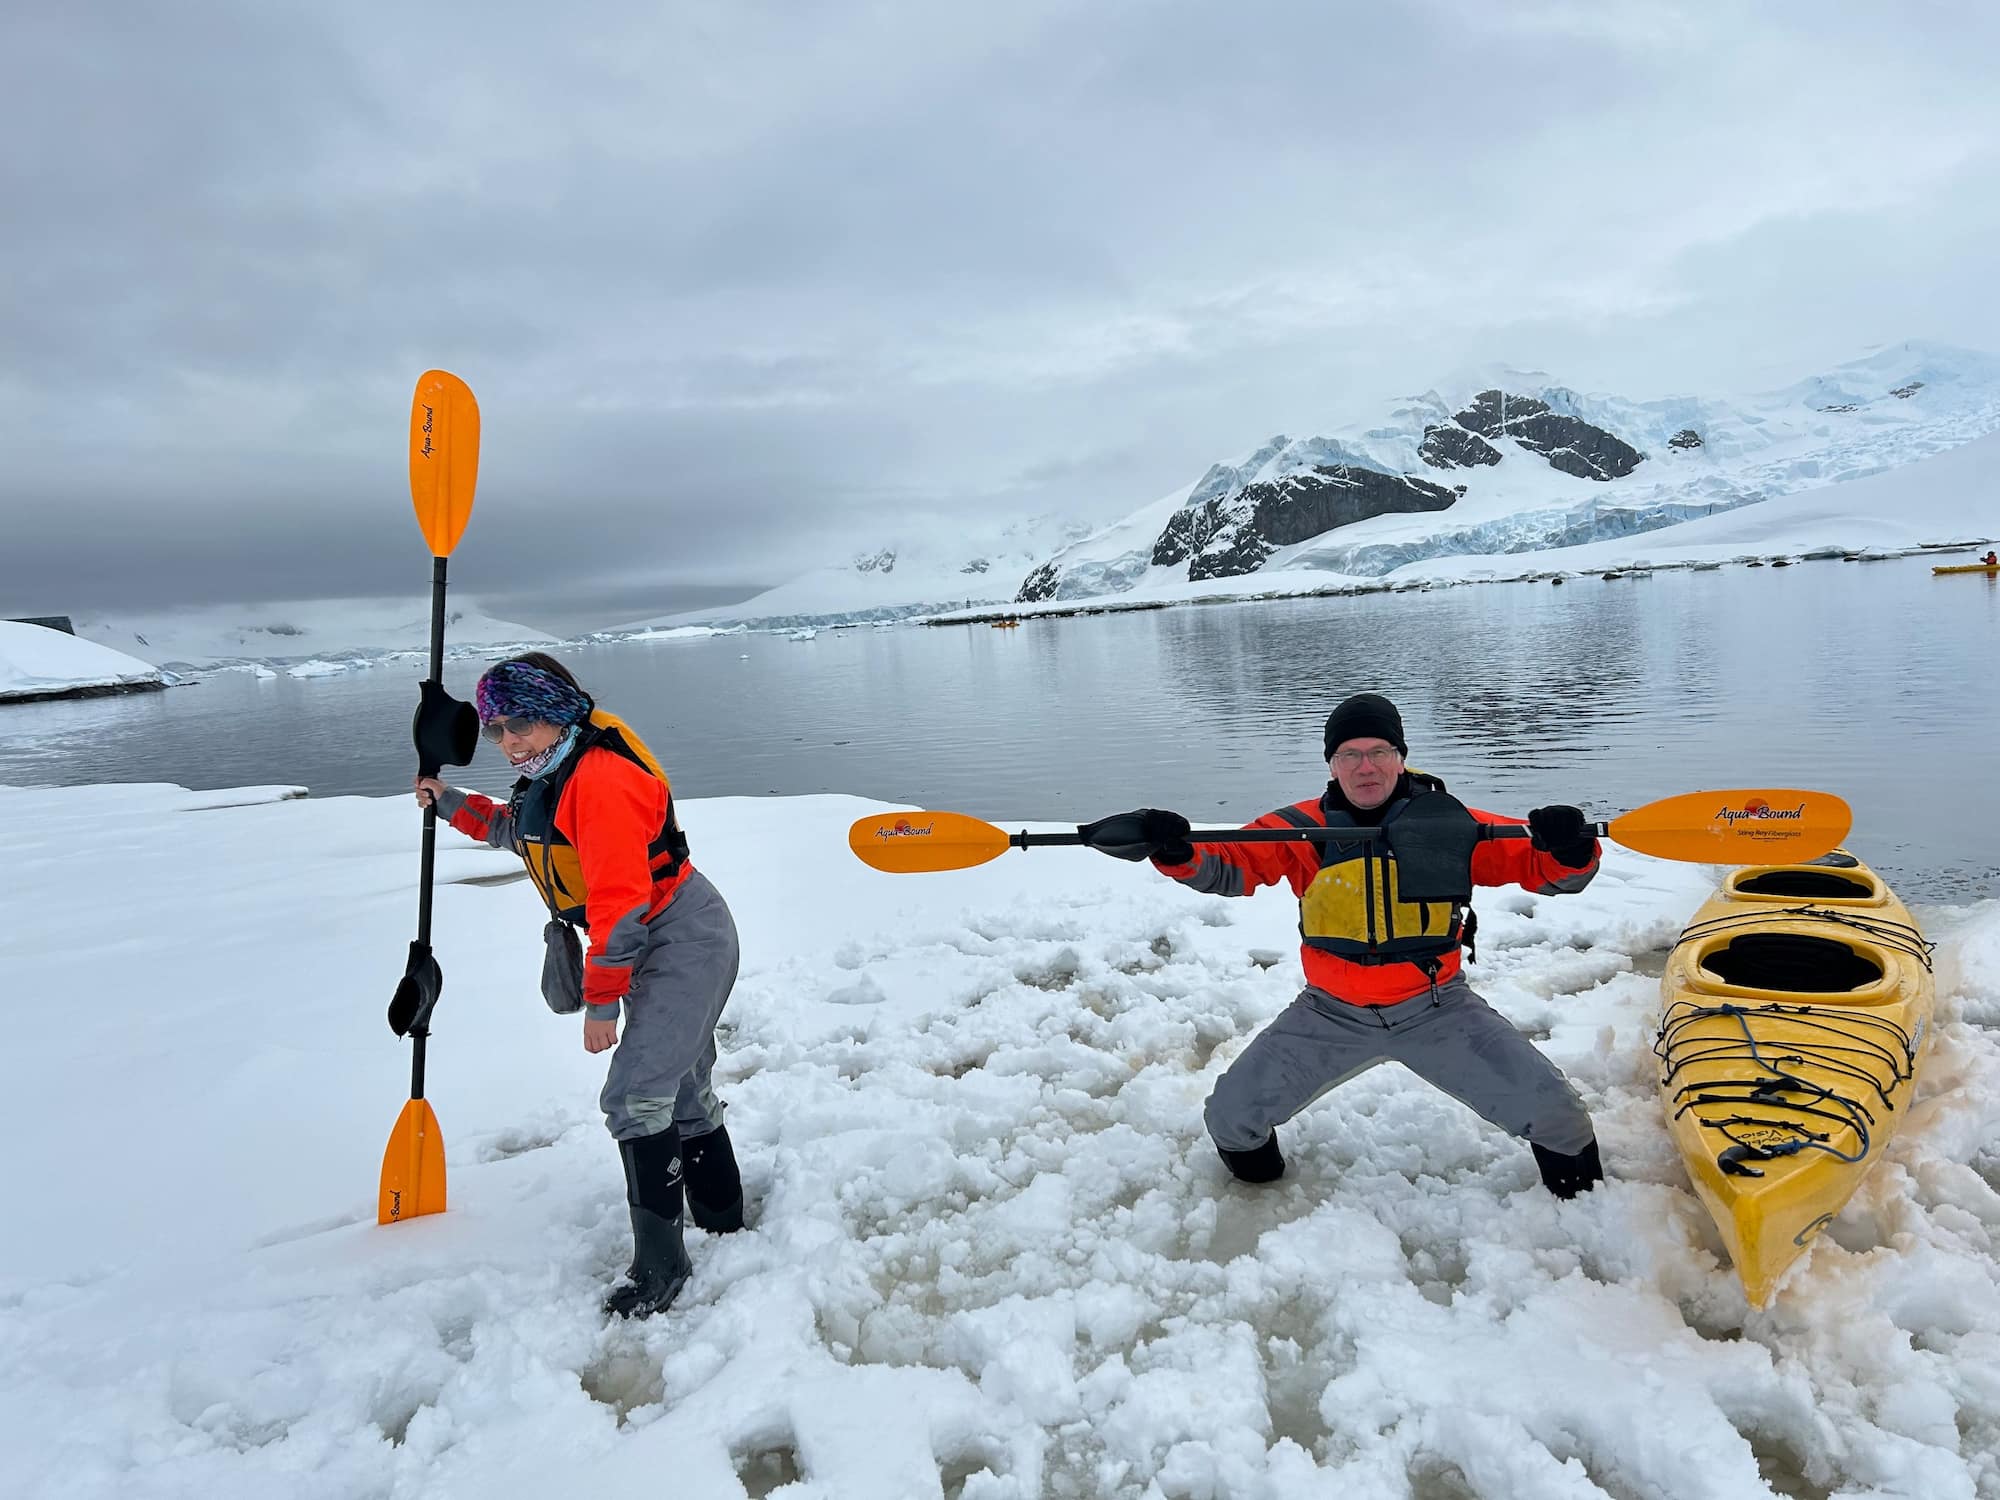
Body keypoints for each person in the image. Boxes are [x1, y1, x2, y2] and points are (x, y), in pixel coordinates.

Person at [1080, 692, 1606, 1200]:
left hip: (1438, 1008)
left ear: (1401, 759)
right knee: (1231, 1119)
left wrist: (1571, 845)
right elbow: (1227, 865)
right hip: (1330, 1013)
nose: (1366, 766)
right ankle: (1260, 1199)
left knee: (1561, 1119)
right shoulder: (1300, 827)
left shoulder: (1453, 824)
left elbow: (1546, 867)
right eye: (1350, 755)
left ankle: (1584, 1212)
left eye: (1380, 752)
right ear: (1332, 765)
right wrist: (1176, 848)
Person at [414, 652, 745, 1318]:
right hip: (654, 938)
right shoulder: (552, 770)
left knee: (635, 1094)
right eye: (496, 727)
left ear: (558, 713)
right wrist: (451, 805)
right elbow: (524, 834)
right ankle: (722, 1214)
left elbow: (619, 909)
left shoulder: (599, 781)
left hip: (681, 940)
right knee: (677, 1085)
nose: (510, 741)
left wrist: (601, 1004)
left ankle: (661, 1268)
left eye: (523, 724)